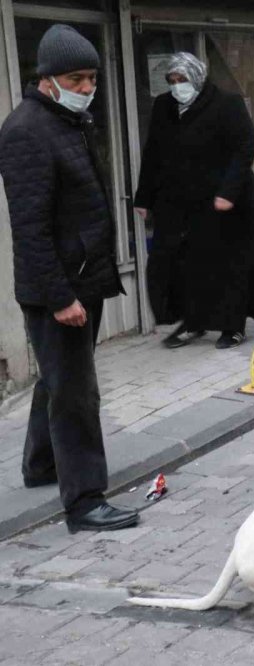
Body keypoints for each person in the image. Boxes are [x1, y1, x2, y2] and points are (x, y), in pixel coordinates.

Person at [0, 24, 138, 533]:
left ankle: (40, 466)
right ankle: (84, 501)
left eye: (91, 79)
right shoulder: (25, 131)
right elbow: (30, 227)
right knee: (77, 392)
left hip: (82, 277)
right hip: (59, 287)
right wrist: (60, 297)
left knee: (59, 379)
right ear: (48, 78)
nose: (87, 88)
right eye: (76, 79)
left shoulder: (67, 122)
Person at [134, 52, 254, 350]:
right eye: (172, 80)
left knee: (227, 262)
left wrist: (227, 192)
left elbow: (246, 147)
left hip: (226, 200)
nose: (177, 86)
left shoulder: (227, 104)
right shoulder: (164, 107)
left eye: (182, 79)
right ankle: (192, 322)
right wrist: (144, 197)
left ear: (197, 77)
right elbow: (153, 153)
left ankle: (233, 326)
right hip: (183, 201)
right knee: (185, 264)